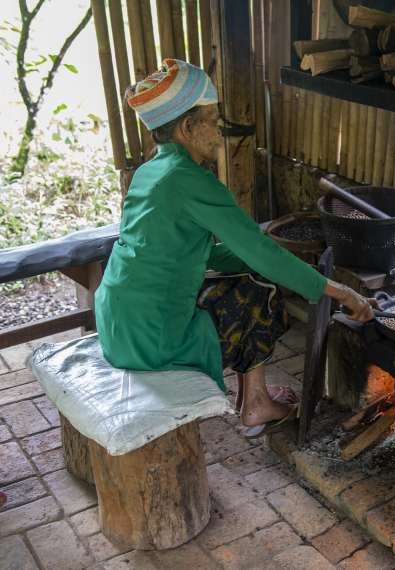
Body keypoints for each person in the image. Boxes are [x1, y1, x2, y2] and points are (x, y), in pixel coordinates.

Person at [95, 59, 379, 437]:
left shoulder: (150, 171)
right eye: (211, 119)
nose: (218, 131)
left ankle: (254, 396)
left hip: (118, 325)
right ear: (187, 126)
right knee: (259, 293)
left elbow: (194, 253)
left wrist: (263, 258)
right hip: (153, 342)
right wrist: (341, 292)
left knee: (250, 277)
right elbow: (260, 252)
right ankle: (258, 404)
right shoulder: (193, 180)